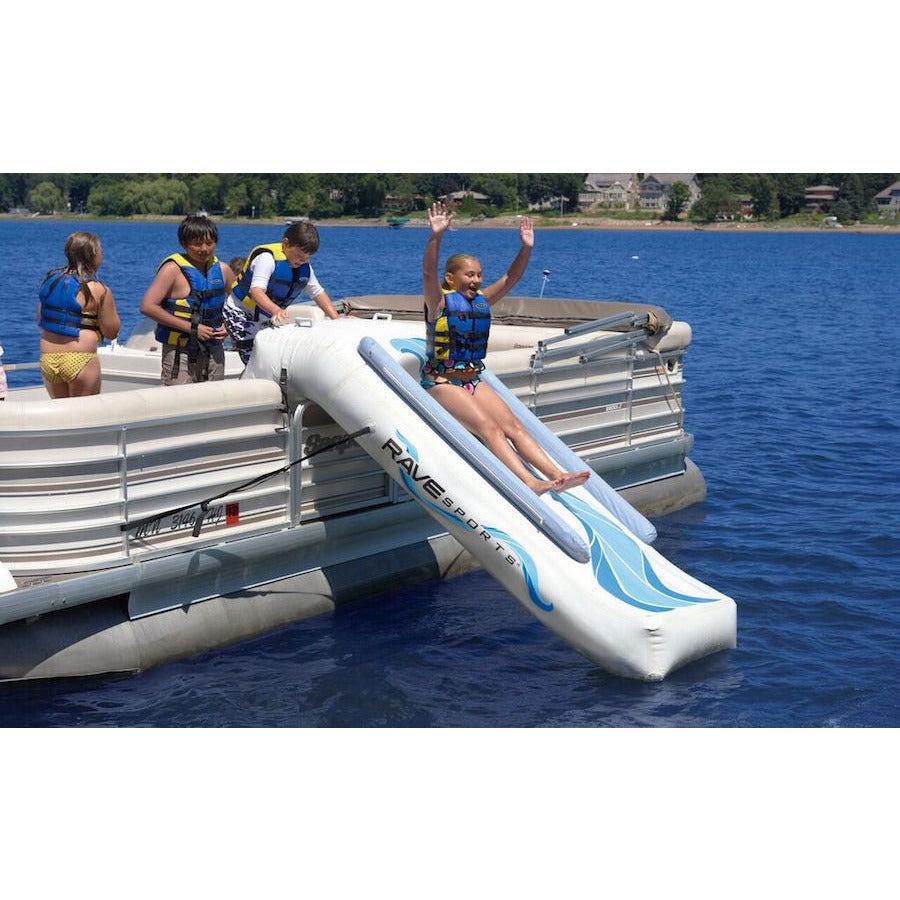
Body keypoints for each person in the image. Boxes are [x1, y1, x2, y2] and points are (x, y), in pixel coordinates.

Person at [422, 201, 589, 495]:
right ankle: (529, 482)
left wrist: (526, 248)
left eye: (478, 274)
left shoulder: (482, 301)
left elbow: (511, 278)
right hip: (443, 382)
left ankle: (557, 475)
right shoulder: (439, 301)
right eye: (469, 275)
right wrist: (436, 236)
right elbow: (427, 273)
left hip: (472, 379)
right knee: (490, 429)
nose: (476, 280)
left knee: (514, 425)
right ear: (450, 278)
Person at [223, 221, 340, 365]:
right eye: (298, 255)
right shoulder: (267, 259)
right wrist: (276, 309)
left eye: (307, 257)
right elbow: (256, 292)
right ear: (286, 243)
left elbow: (317, 292)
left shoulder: (304, 267)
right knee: (255, 362)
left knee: (274, 362)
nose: (302, 261)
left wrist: (336, 317)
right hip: (239, 313)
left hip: (264, 318)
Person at [139, 214, 234, 385]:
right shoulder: (172, 270)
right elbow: (147, 306)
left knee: (214, 405)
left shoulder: (224, 270)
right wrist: (191, 328)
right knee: (181, 403)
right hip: (179, 352)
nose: (204, 249)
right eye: (197, 244)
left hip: (214, 351)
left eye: (209, 243)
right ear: (184, 244)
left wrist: (227, 326)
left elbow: (239, 305)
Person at [37, 232, 120, 398]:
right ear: (93, 255)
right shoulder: (99, 289)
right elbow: (111, 332)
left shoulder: (50, 281)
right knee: (85, 416)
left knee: (62, 416)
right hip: (80, 358)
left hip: (48, 357)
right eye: (100, 251)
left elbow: (41, 319)